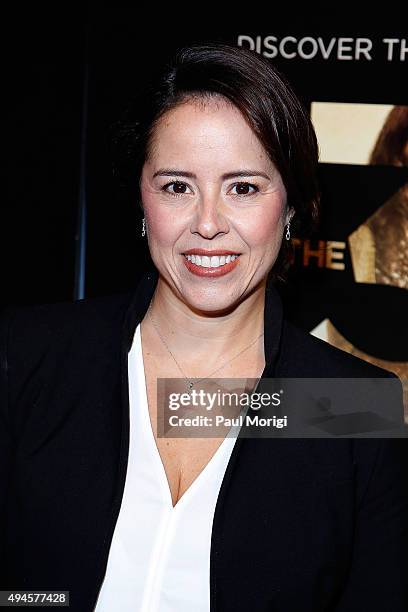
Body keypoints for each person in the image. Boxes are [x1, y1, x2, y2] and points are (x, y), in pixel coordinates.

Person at [0, 42, 407, 612]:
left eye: (243, 187)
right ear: (142, 202)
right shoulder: (29, 357)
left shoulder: (349, 404)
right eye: (177, 187)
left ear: (290, 206)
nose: (208, 224)